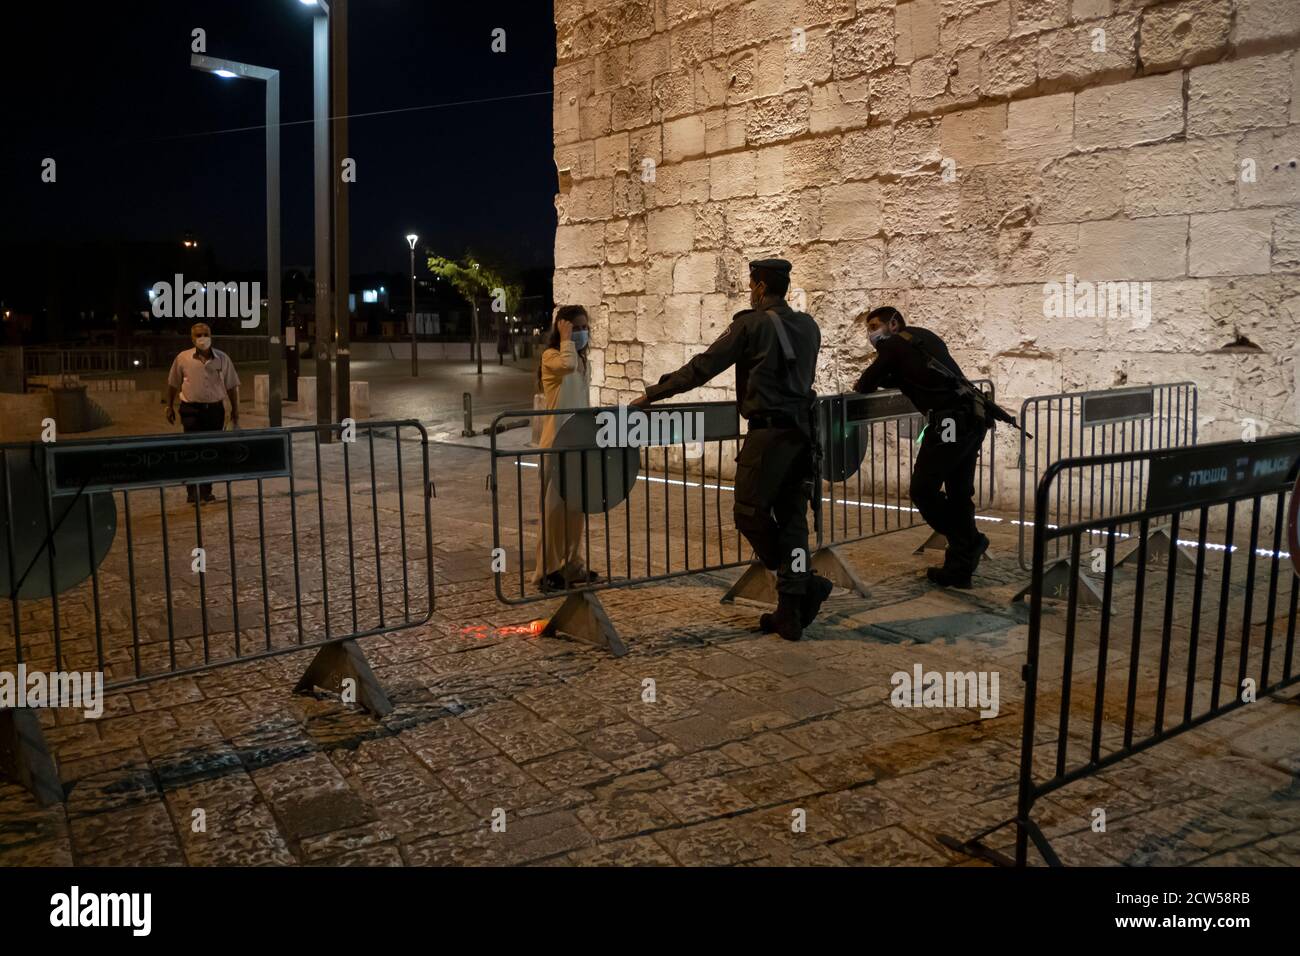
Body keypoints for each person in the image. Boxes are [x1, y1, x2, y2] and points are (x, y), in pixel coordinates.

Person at [630, 258, 831, 642]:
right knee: (792, 520)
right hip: (803, 434)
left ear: (757, 287)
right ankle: (789, 612)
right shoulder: (809, 326)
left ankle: (801, 583)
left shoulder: (750, 325)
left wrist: (653, 393)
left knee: (749, 511)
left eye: (751, 285)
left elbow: (704, 367)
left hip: (768, 435)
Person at [853, 306, 989, 588]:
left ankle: (968, 541)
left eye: (875, 325)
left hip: (949, 424)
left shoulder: (893, 345)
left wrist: (881, 376)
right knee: (959, 493)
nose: (872, 333)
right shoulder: (924, 337)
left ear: (893, 323)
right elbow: (916, 372)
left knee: (923, 490)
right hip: (972, 417)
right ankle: (958, 569)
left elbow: (865, 383)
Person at [533, 305, 600, 592]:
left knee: (576, 509)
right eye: (576, 327)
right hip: (556, 443)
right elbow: (566, 366)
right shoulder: (551, 357)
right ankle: (547, 570)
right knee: (553, 510)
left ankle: (572, 563)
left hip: (577, 443)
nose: (582, 333)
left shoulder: (583, 362)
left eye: (585, 327)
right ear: (562, 328)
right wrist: (565, 340)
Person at [165, 322, 241, 504]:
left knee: (211, 451)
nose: (202, 338)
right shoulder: (183, 358)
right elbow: (173, 383)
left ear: (211, 335)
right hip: (191, 409)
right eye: (198, 335)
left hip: (214, 410)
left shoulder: (222, 359)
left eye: (205, 334)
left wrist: (235, 411)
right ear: (192, 338)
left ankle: (206, 490)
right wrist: (169, 405)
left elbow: (232, 386)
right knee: (192, 451)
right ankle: (192, 492)